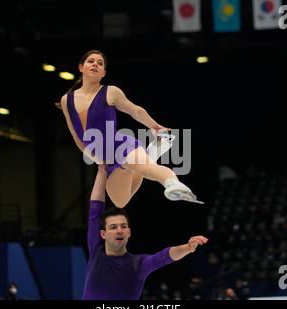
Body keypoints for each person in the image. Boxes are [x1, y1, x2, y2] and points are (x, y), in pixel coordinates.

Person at [58, 49, 203, 208]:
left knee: (147, 168)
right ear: (81, 67)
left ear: (103, 73)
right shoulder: (67, 100)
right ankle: (148, 154)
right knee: (120, 202)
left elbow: (135, 110)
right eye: (91, 61)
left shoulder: (110, 92)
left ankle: (174, 184)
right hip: (107, 159)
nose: (95, 64)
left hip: (120, 145)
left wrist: (154, 126)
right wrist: (95, 159)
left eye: (100, 63)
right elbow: (76, 135)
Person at [82, 165, 208, 300]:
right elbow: (95, 209)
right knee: (121, 196)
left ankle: (143, 163)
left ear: (129, 232)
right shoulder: (96, 251)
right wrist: (101, 171)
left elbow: (164, 257)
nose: (119, 230)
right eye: (113, 227)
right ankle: (142, 162)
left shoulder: (138, 264)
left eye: (123, 226)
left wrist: (187, 248)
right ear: (103, 234)